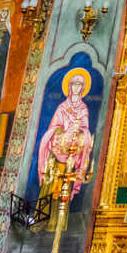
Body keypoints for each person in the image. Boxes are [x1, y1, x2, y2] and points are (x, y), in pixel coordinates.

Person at [38, 68, 95, 200]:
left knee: (65, 189)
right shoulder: (62, 107)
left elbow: (86, 130)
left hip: (72, 156)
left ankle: (60, 219)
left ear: (83, 88)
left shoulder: (83, 109)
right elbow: (53, 129)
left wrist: (78, 132)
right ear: (69, 86)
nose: (76, 87)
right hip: (58, 153)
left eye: (79, 84)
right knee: (51, 189)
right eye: (74, 83)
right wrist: (64, 133)